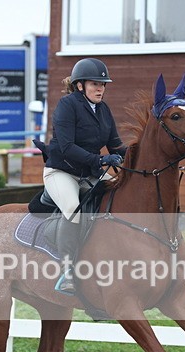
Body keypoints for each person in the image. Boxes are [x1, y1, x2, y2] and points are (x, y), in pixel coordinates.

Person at [42, 57, 126, 295]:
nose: (100, 89)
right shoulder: (67, 105)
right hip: (62, 172)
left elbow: (116, 145)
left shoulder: (103, 110)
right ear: (80, 86)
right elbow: (67, 147)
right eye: (94, 84)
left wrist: (144, 157)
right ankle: (67, 271)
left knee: (120, 195)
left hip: (89, 172)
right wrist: (100, 160)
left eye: (103, 84)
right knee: (73, 207)